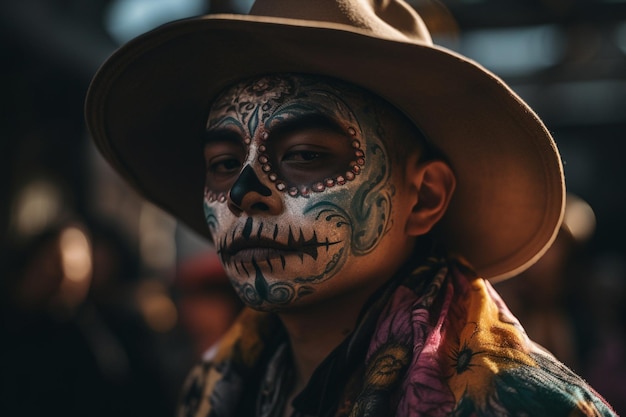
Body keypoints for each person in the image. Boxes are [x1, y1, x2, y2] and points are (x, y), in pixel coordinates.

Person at [84, 0, 617, 416]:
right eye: (223, 163)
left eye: (306, 155)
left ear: (425, 197)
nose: (244, 192)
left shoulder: (533, 409)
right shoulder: (214, 388)